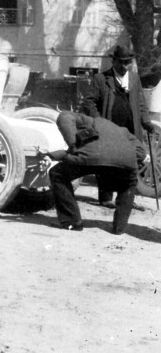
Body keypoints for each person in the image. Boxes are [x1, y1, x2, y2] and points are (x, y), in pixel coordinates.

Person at [42, 111, 143, 234]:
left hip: (92, 158)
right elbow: (142, 152)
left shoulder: (85, 121)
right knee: (128, 184)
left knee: (57, 173)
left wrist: (73, 146)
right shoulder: (123, 130)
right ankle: (119, 228)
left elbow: (65, 117)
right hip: (125, 162)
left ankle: (72, 222)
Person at [79, 43, 153, 207]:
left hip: (131, 128)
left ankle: (127, 199)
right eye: (122, 62)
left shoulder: (134, 79)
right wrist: (98, 121)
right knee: (107, 161)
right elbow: (89, 102)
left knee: (130, 162)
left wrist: (146, 121)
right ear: (114, 62)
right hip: (110, 126)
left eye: (128, 62)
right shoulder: (101, 79)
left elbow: (141, 102)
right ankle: (105, 198)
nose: (125, 66)